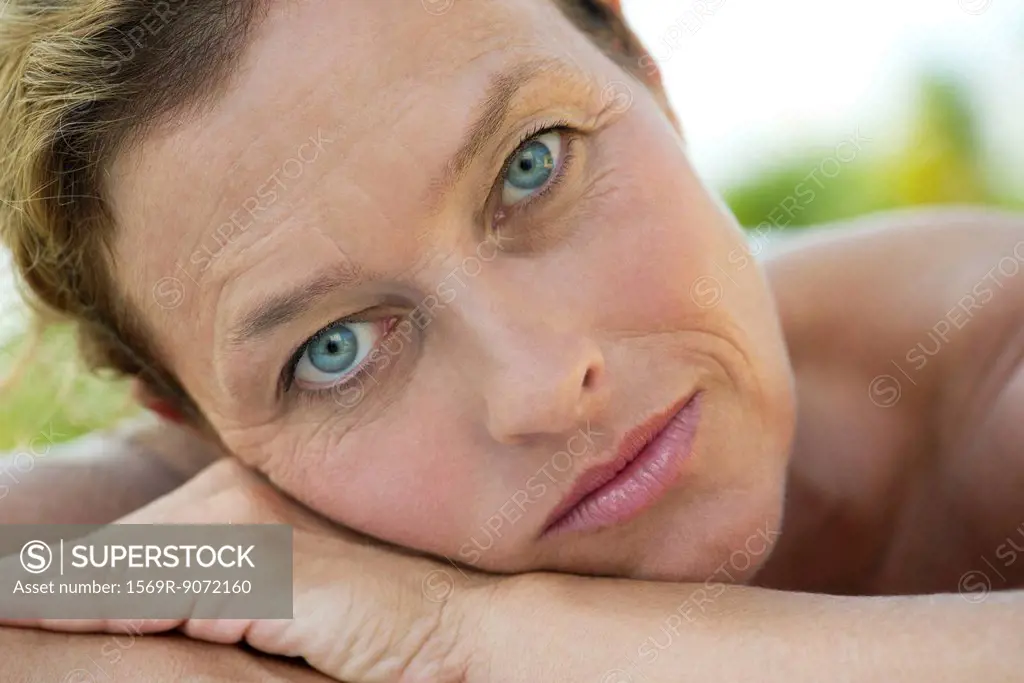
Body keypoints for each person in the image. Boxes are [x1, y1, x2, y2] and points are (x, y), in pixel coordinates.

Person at [0, 0, 1021, 680]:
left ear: (639, 64)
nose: (540, 386)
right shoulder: (237, 527)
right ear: (198, 421)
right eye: (336, 350)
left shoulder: (988, 362)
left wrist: (460, 631)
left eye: (532, 165)